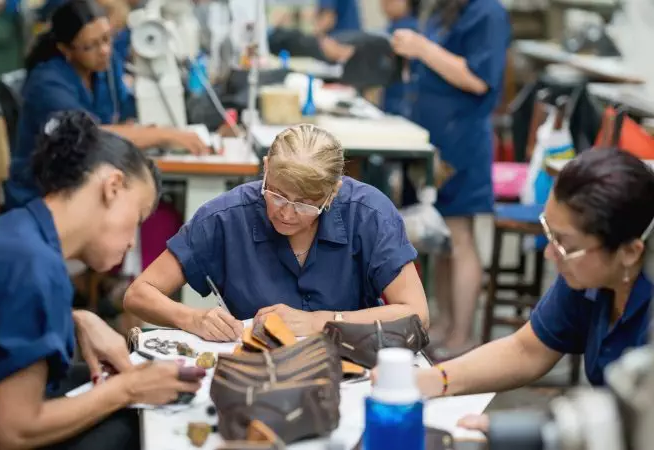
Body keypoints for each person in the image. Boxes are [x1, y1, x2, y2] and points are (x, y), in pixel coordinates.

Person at [0, 111, 201, 450]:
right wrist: (129, 389)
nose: (132, 242)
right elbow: (13, 431)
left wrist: (74, 320)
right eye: (138, 219)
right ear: (112, 187)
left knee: (105, 394)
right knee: (127, 427)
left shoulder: (13, 235)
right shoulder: (34, 267)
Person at [390, 149, 654, 428]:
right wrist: (435, 380)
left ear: (629, 252)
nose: (551, 254)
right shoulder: (587, 280)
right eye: (549, 233)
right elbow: (527, 349)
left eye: (565, 244)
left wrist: (510, 432)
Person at [123, 124, 429, 342]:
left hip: (352, 364)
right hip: (257, 370)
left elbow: (417, 315)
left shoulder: (369, 214)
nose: (286, 212)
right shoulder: (227, 218)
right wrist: (192, 318)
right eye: (277, 194)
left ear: (333, 192)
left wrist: (319, 321)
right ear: (266, 168)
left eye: (306, 204)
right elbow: (139, 294)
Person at [390, 0, 511, 358]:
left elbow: (478, 78)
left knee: (459, 237)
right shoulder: (446, 10)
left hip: (461, 141)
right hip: (436, 138)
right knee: (441, 241)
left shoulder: (487, 12)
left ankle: (463, 335)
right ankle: (444, 324)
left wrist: (422, 49)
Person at [5, 0, 207, 210]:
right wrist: (166, 135)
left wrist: (149, 127)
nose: (104, 50)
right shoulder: (47, 82)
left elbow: (124, 109)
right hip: (41, 192)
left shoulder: (103, 70)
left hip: (79, 179)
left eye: (107, 39)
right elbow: (90, 135)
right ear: (66, 49)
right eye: (91, 45)